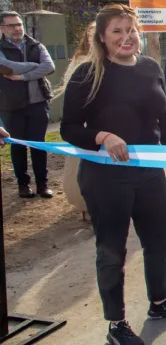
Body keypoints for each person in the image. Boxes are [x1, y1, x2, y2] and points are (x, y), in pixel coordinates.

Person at [60, 4, 166, 345]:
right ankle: (116, 323)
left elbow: (164, 121)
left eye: (131, 30)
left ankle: (160, 302)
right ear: (102, 37)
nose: (127, 37)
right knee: (112, 250)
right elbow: (68, 128)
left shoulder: (150, 67)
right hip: (105, 178)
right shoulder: (88, 74)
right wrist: (102, 136)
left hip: (149, 173)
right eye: (117, 31)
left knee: (158, 241)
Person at [0, 10, 54, 198]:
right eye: (11, 25)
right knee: (18, 146)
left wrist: (22, 76)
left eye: (19, 24)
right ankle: (23, 185)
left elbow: (49, 67)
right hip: (11, 106)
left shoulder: (36, 45)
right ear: (2, 28)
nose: (17, 29)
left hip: (38, 103)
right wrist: (34, 66)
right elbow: (5, 67)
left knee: (39, 145)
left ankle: (42, 185)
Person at [61, 22, 96, 222]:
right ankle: (85, 205)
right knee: (79, 168)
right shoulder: (80, 62)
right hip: (84, 127)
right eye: (91, 35)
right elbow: (71, 94)